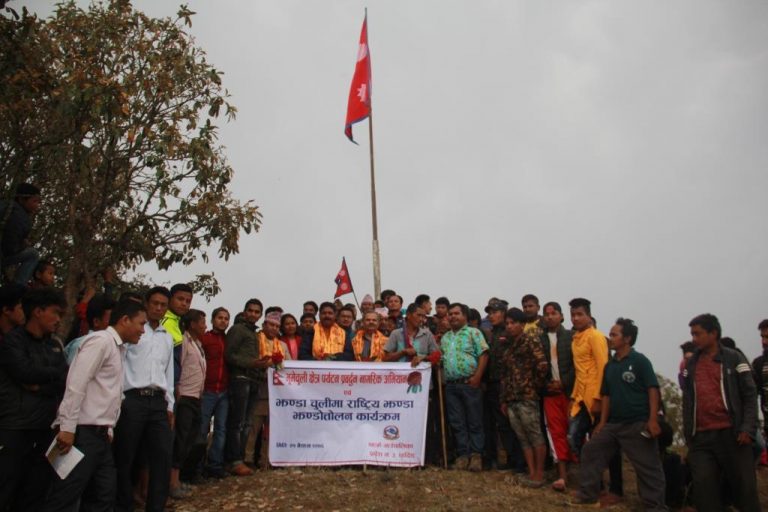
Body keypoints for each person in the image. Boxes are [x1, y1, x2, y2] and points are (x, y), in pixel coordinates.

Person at [42, 299, 147, 512]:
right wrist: (68, 428)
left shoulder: (118, 348)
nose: (143, 330)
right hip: (81, 434)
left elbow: (109, 392)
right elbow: (76, 383)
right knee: (65, 496)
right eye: (141, 324)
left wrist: (109, 428)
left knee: (104, 495)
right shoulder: (100, 342)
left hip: (100, 436)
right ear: (125, 320)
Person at [570, 318, 666, 510]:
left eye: (614, 335)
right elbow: (606, 395)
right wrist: (602, 423)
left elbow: (653, 390)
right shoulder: (610, 366)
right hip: (613, 424)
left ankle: (655, 506)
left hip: (637, 423)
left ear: (627, 338)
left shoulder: (640, 361)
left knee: (648, 466)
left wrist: (653, 419)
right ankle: (588, 495)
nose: (610, 338)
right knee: (590, 450)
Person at [682, 313, 759, 512]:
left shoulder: (734, 358)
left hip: (732, 434)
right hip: (701, 437)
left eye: (698, 334)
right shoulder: (691, 364)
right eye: (692, 334)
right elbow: (687, 400)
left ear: (713, 333)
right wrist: (689, 435)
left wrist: (747, 428)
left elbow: (750, 394)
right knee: (705, 491)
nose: (694, 339)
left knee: (745, 491)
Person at [0, 287, 68, 511]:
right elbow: (23, 372)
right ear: (38, 311)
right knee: (6, 489)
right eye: (55, 312)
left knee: (36, 492)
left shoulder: (55, 344)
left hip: (46, 429)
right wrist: (49, 378)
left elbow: (64, 379)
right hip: (15, 428)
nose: (58, 319)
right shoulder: (12, 341)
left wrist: (39, 385)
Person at [112, 286, 175, 511]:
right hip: (132, 399)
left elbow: (168, 373)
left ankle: (156, 506)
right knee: (125, 456)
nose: (158, 308)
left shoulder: (167, 337)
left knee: (162, 457)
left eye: (163, 305)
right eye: (155, 303)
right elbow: (120, 363)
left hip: (158, 401)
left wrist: (170, 404)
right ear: (146, 304)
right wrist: (119, 398)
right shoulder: (134, 331)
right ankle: (123, 505)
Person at [499, 308, 549, 487]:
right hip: (511, 398)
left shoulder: (530, 340)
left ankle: (539, 473)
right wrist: (504, 399)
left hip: (527, 396)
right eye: (507, 323)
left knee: (534, 435)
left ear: (522, 324)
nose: (509, 326)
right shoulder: (508, 346)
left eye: (513, 323)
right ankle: (531, 472)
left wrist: (532, 386)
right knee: (522, 437)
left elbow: (542, 366)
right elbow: (505, 375)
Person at [440, 303, 489, 472]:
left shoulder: (474, 333)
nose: (453, 316)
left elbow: (483, 354)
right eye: (450, 314)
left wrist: (477, 377)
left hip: (470, 383)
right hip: (451, 386)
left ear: (465, 316)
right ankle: (463, 455)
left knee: (474, 420)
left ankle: (476, 456)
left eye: (457, 313)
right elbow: (441, 358)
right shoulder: (445, 337)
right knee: (457, 421)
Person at [224, 298, 269, 476]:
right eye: (250, 310)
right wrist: (252, 363)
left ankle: (240, 459)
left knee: (246, 423)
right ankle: (233, 460)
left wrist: (261, 365)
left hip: (253, 380)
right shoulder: (237, 329)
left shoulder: (254, 334)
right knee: (237, 422)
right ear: (244, 312)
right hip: (240, 379)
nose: (253, 314)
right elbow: (229, 355)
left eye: (257, 312)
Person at [481, 299, 523, 471]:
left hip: (505, 384)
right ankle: (493, 458)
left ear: (504, 313)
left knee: (507, 424)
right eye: (489, 313)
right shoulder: (490, 334)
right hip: (490, 384)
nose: (491, 316)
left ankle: (516, 460)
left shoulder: (509, 332)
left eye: (495, 312)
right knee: (490, 423)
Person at [539, 301, 576, 491]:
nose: (550, 317)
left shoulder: (571, 337)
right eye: (546, 314)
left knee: (576, 431)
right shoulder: (539, 339)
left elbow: (578, 365)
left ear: (561, 316)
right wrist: (547, 383)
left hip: (571, 393)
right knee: (555, 432)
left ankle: (583, 475)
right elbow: (536, 366)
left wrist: (564, 382)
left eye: (553, 313)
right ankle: (562, 476)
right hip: (550, 393)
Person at [246, 312, 290, 468]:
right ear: (264, 325)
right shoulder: (255, 341)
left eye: (277, 326)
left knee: (271, 430)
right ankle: (247, 459)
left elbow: (289, 367)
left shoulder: (282, 346)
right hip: (258, 391)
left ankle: (265, 460)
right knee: (253, 429)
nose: (274, 328)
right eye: (271, 325)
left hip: (277, 394)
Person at [171, 309, 207, 495]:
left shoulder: (198, 343)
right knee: (181, 439)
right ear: (192, 324)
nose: (205, 326)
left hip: (196, 397)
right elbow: (179, 366)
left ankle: (180, 478)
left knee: (192, 440)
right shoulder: (184, 341)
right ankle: (173, 482)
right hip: (185, 396)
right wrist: (177, 388)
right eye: (202, 322)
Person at [567, 297, 609, 458]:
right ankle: (587, 470)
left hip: (594, 396)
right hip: (580, 397)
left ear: (589, 316)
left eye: (580, 314)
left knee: (595, 440)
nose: (576, 318)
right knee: (573, 438)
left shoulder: (596, 336)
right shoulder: (575, 339)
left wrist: (599, 398)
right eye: (573, 315)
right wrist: (573, 397)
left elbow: (603, 367)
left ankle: (595, 473)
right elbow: (579, 371)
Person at [199, 307, 230, 479]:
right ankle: (197, 466)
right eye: (220, 317)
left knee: (221, 430)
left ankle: (215, 465)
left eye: (226, 318)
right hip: (207, 390)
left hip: (224, 391)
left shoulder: (229, 340)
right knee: (202, 429)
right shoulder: (204, 338)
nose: (223, 321)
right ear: (212, 320)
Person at [0, 183, 41, 286]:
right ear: (22, 199)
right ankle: (17, 288)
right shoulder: (20, 217)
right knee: (33, 255)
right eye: (34, 201)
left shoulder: (4, 204)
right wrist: (23, 245)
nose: (37, 205)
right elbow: (9, 248)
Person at [64, 293, 115, 364]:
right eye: (111, 319)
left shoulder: (112, 346)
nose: (115, 324)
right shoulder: (82, 345)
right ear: (96, 322)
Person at [751, 319, 768, 441]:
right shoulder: (759, 364)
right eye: (762, 337)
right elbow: (751, 395)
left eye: (767, 337)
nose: (764, 341)